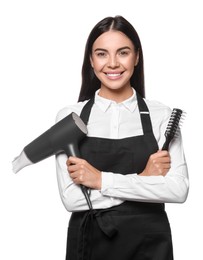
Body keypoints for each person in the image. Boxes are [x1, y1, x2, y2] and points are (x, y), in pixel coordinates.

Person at [55, 15, 189, 260]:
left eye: (123, 53)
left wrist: (101, 181)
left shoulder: (161, 115)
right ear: (91, 61)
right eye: (102, 54)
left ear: (136, 57)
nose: (113, 63)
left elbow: (178, 190)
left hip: (150, 247)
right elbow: (73, 200)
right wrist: (144, 178)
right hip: (89, 246)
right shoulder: (70, 117)